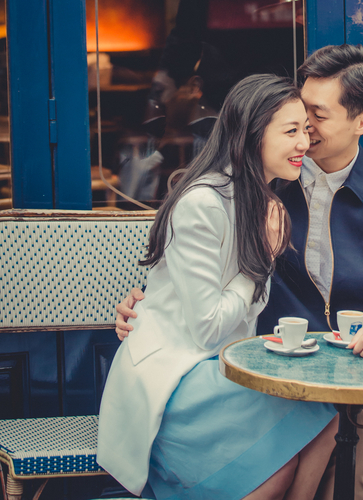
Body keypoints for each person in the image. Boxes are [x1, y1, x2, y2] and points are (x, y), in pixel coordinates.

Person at [117, 45, 363, 500]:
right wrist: (149, 301)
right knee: (344, 474)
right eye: (299, 112)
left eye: (317, 115)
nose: (305, 130)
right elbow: (200, 262)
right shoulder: (265, 181)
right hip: (285, 376)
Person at [99, 74, 338, 500]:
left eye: (305, 129)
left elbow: (243, 317)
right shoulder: (202, 203)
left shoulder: (262, 201)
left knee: (328, 416)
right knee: (276, 473)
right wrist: (259, 260)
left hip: (221, 368)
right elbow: (208, 328)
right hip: (177, 375)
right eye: (291, 131)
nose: (305, 142)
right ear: (251, 134)